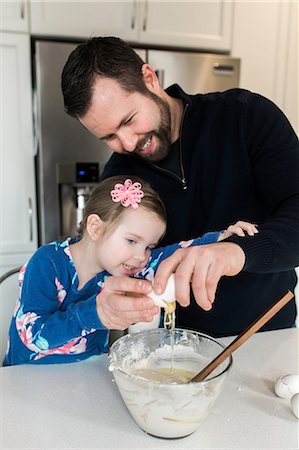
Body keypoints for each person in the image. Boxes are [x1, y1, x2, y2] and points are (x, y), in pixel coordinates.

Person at [61, 36, 299, 337]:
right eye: (109, 137)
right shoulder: (121, 176)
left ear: (149, 79)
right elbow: (100, 262)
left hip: (268, 334)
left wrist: (235, 252)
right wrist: (105, 297)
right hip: (175, 346)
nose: (128, 143)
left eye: (129, 120)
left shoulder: (245, 116)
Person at [3, 176, 257, 365]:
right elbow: (33, 334)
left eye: (149, 246)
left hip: (84, 375)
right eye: (132, 241)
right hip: (27, 378)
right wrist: (94, 314)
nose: (140, 257)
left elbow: (173, 254)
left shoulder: (123, 268)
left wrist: (221, 238)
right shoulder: (47, 263)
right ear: (95, 227)